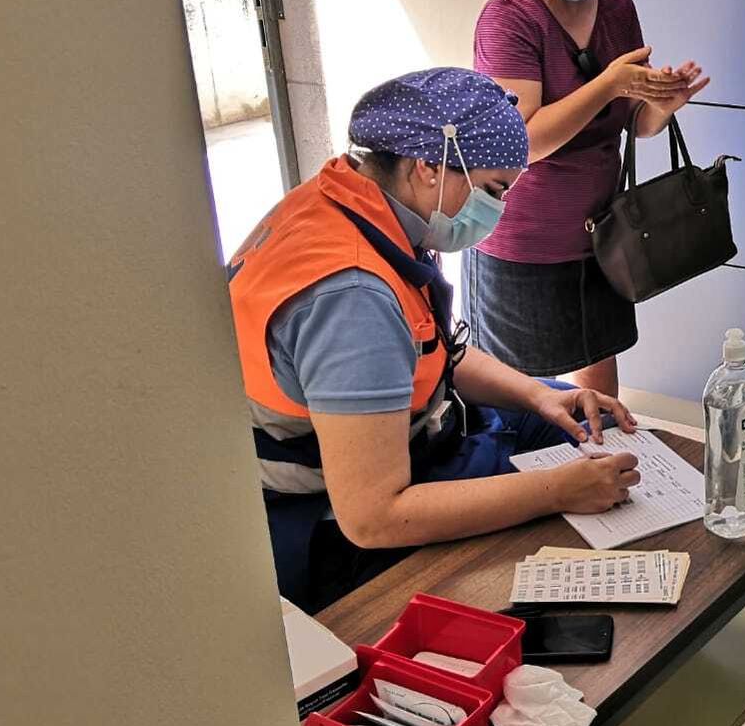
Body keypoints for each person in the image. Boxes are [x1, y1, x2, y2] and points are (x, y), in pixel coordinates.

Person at [228, 68, 642, 612]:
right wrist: (558, 492)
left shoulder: (349, 202)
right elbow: (374, 517)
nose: (499, 207)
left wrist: (540, 395)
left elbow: (433, 350)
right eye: (494, 188)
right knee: (570, 521)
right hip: (331, 526)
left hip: (406, 436)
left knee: (585, 423)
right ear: (427, 167)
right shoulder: (350, 301)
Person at [465, 0, 709, 397]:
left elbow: (635, 126)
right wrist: (610, 83)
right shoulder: (509, 18)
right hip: (525, 242)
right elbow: (521, 142)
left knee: (599, 403)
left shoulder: (618, 8)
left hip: (603, 234)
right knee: (524, 409)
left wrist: (665, 103)